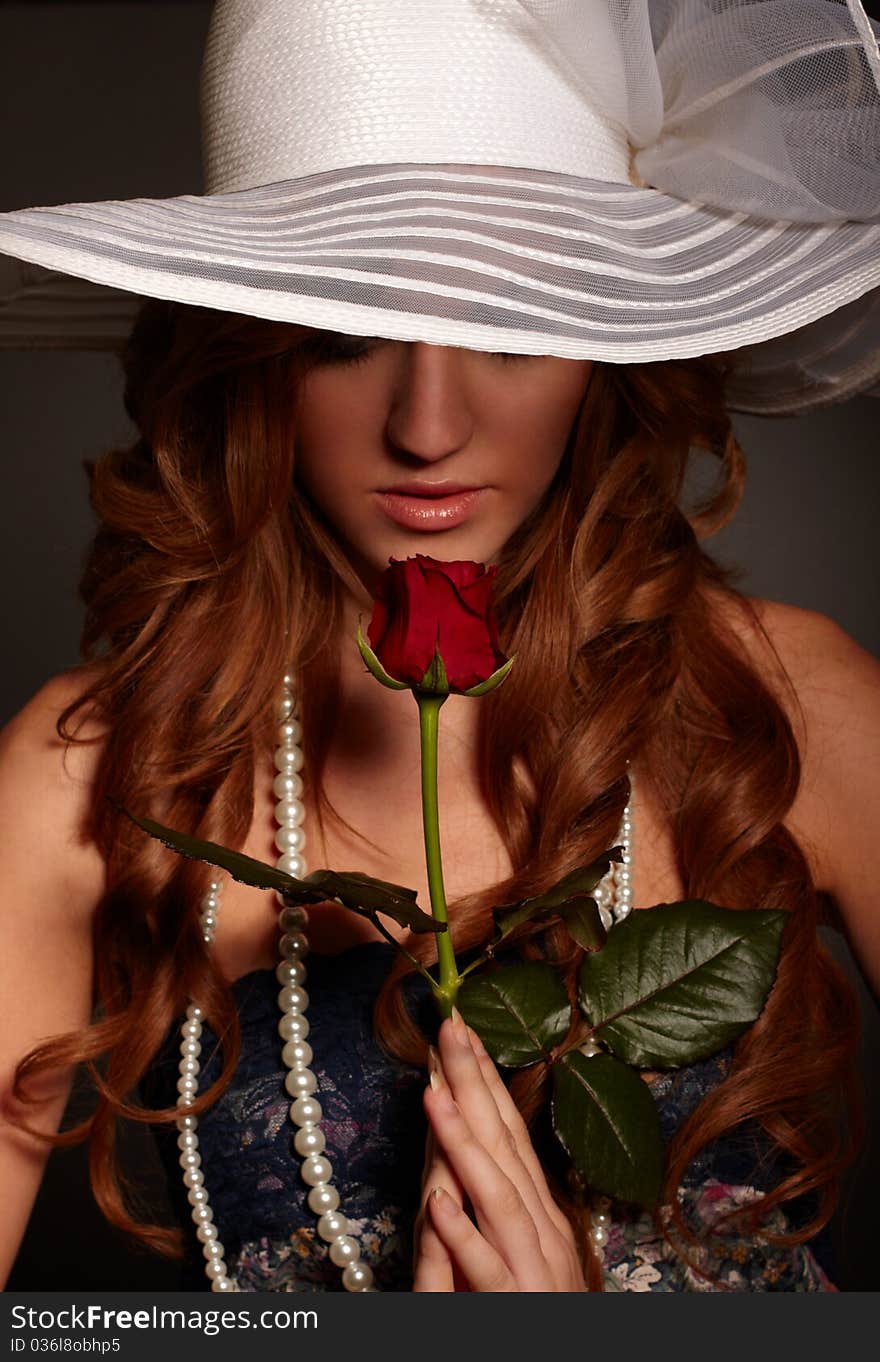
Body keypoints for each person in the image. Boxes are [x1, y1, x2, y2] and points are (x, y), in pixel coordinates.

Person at [1, 0, 879, 1293]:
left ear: (606, 336)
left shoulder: (794, 711)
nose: (428, 425)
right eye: (346, 323)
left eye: (509, 318)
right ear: (250, 342)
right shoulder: (79, 785)